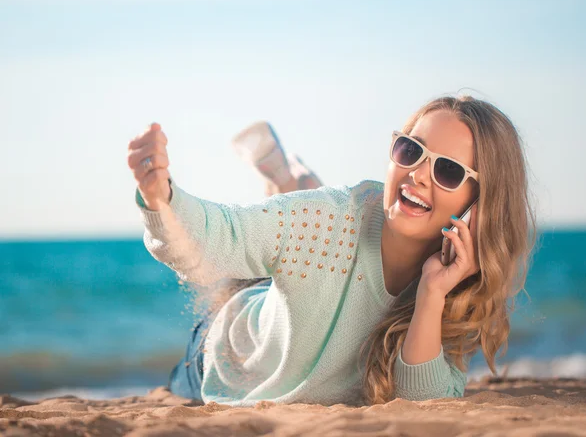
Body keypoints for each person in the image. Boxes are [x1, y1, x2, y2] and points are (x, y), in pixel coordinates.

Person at [127, 95, 536, 406]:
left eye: (447, 170)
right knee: (308, 234)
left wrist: (431, 293)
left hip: (311, 275)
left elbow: (425, 403)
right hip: (227, 359)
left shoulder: (457, 281)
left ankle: (292, 183)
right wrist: (161, 196)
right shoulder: (329, 219)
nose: (417, 175)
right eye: (412, 150)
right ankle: (293, 188)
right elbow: (220, 239)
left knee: (309, 248)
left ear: (481, 206)